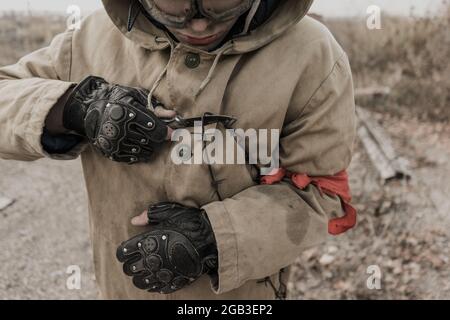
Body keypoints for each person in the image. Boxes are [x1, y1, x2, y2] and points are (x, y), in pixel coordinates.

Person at [0, 0, 357, 299]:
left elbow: (323, 195)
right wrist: (76, 107)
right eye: (174, 4)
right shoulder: (93, 40)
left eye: (221, 2)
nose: (199, 24)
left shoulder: (311, 55)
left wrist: (214, 237)